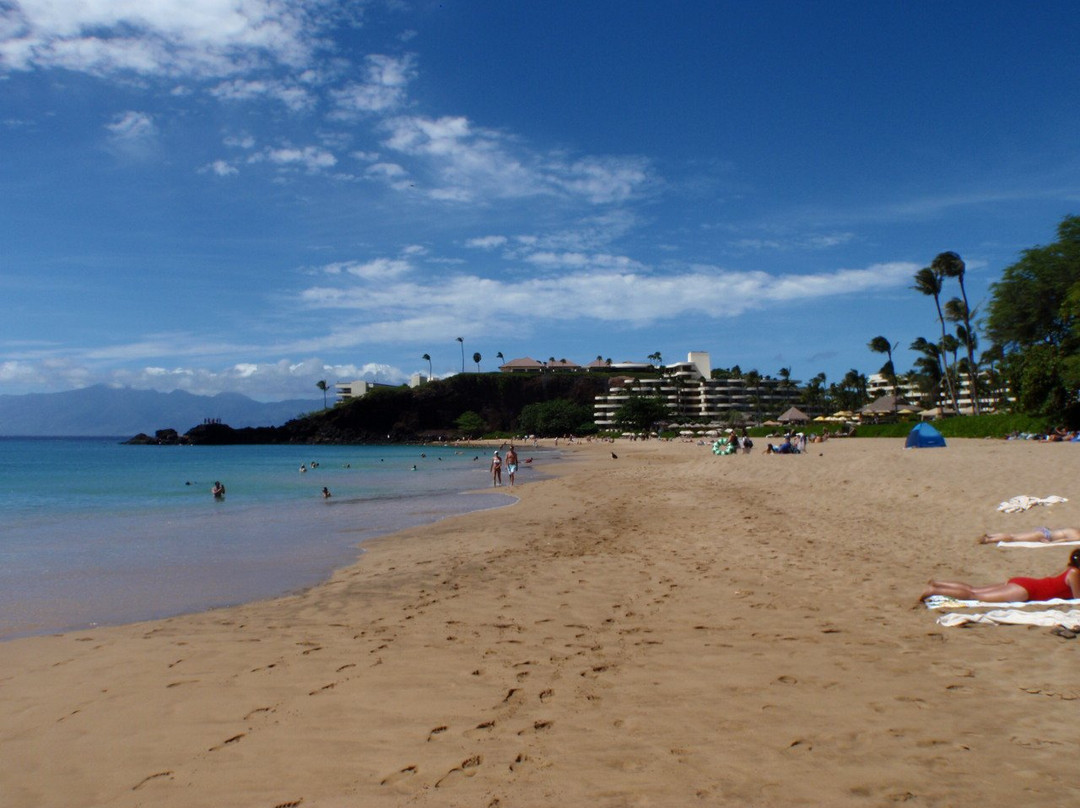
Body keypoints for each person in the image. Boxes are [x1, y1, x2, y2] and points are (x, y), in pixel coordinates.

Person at [920, 548, 1080, 602]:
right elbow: (1077, 597)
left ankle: (938, 584)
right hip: (1028, 591)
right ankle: (934, 591)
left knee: (974, 589)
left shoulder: (1068, 569)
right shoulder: (1075, 574)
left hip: (1026, 583)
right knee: (973, 596)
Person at [978, 527, 1080, 544]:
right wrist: (1051, 542)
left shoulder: (1075, 529)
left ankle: (991, 536)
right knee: (1014, 538)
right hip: (1046, 535)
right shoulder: (1078, 535)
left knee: (1013, 535)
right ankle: (989, 540)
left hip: (1045, 531)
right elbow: (1065, 540)